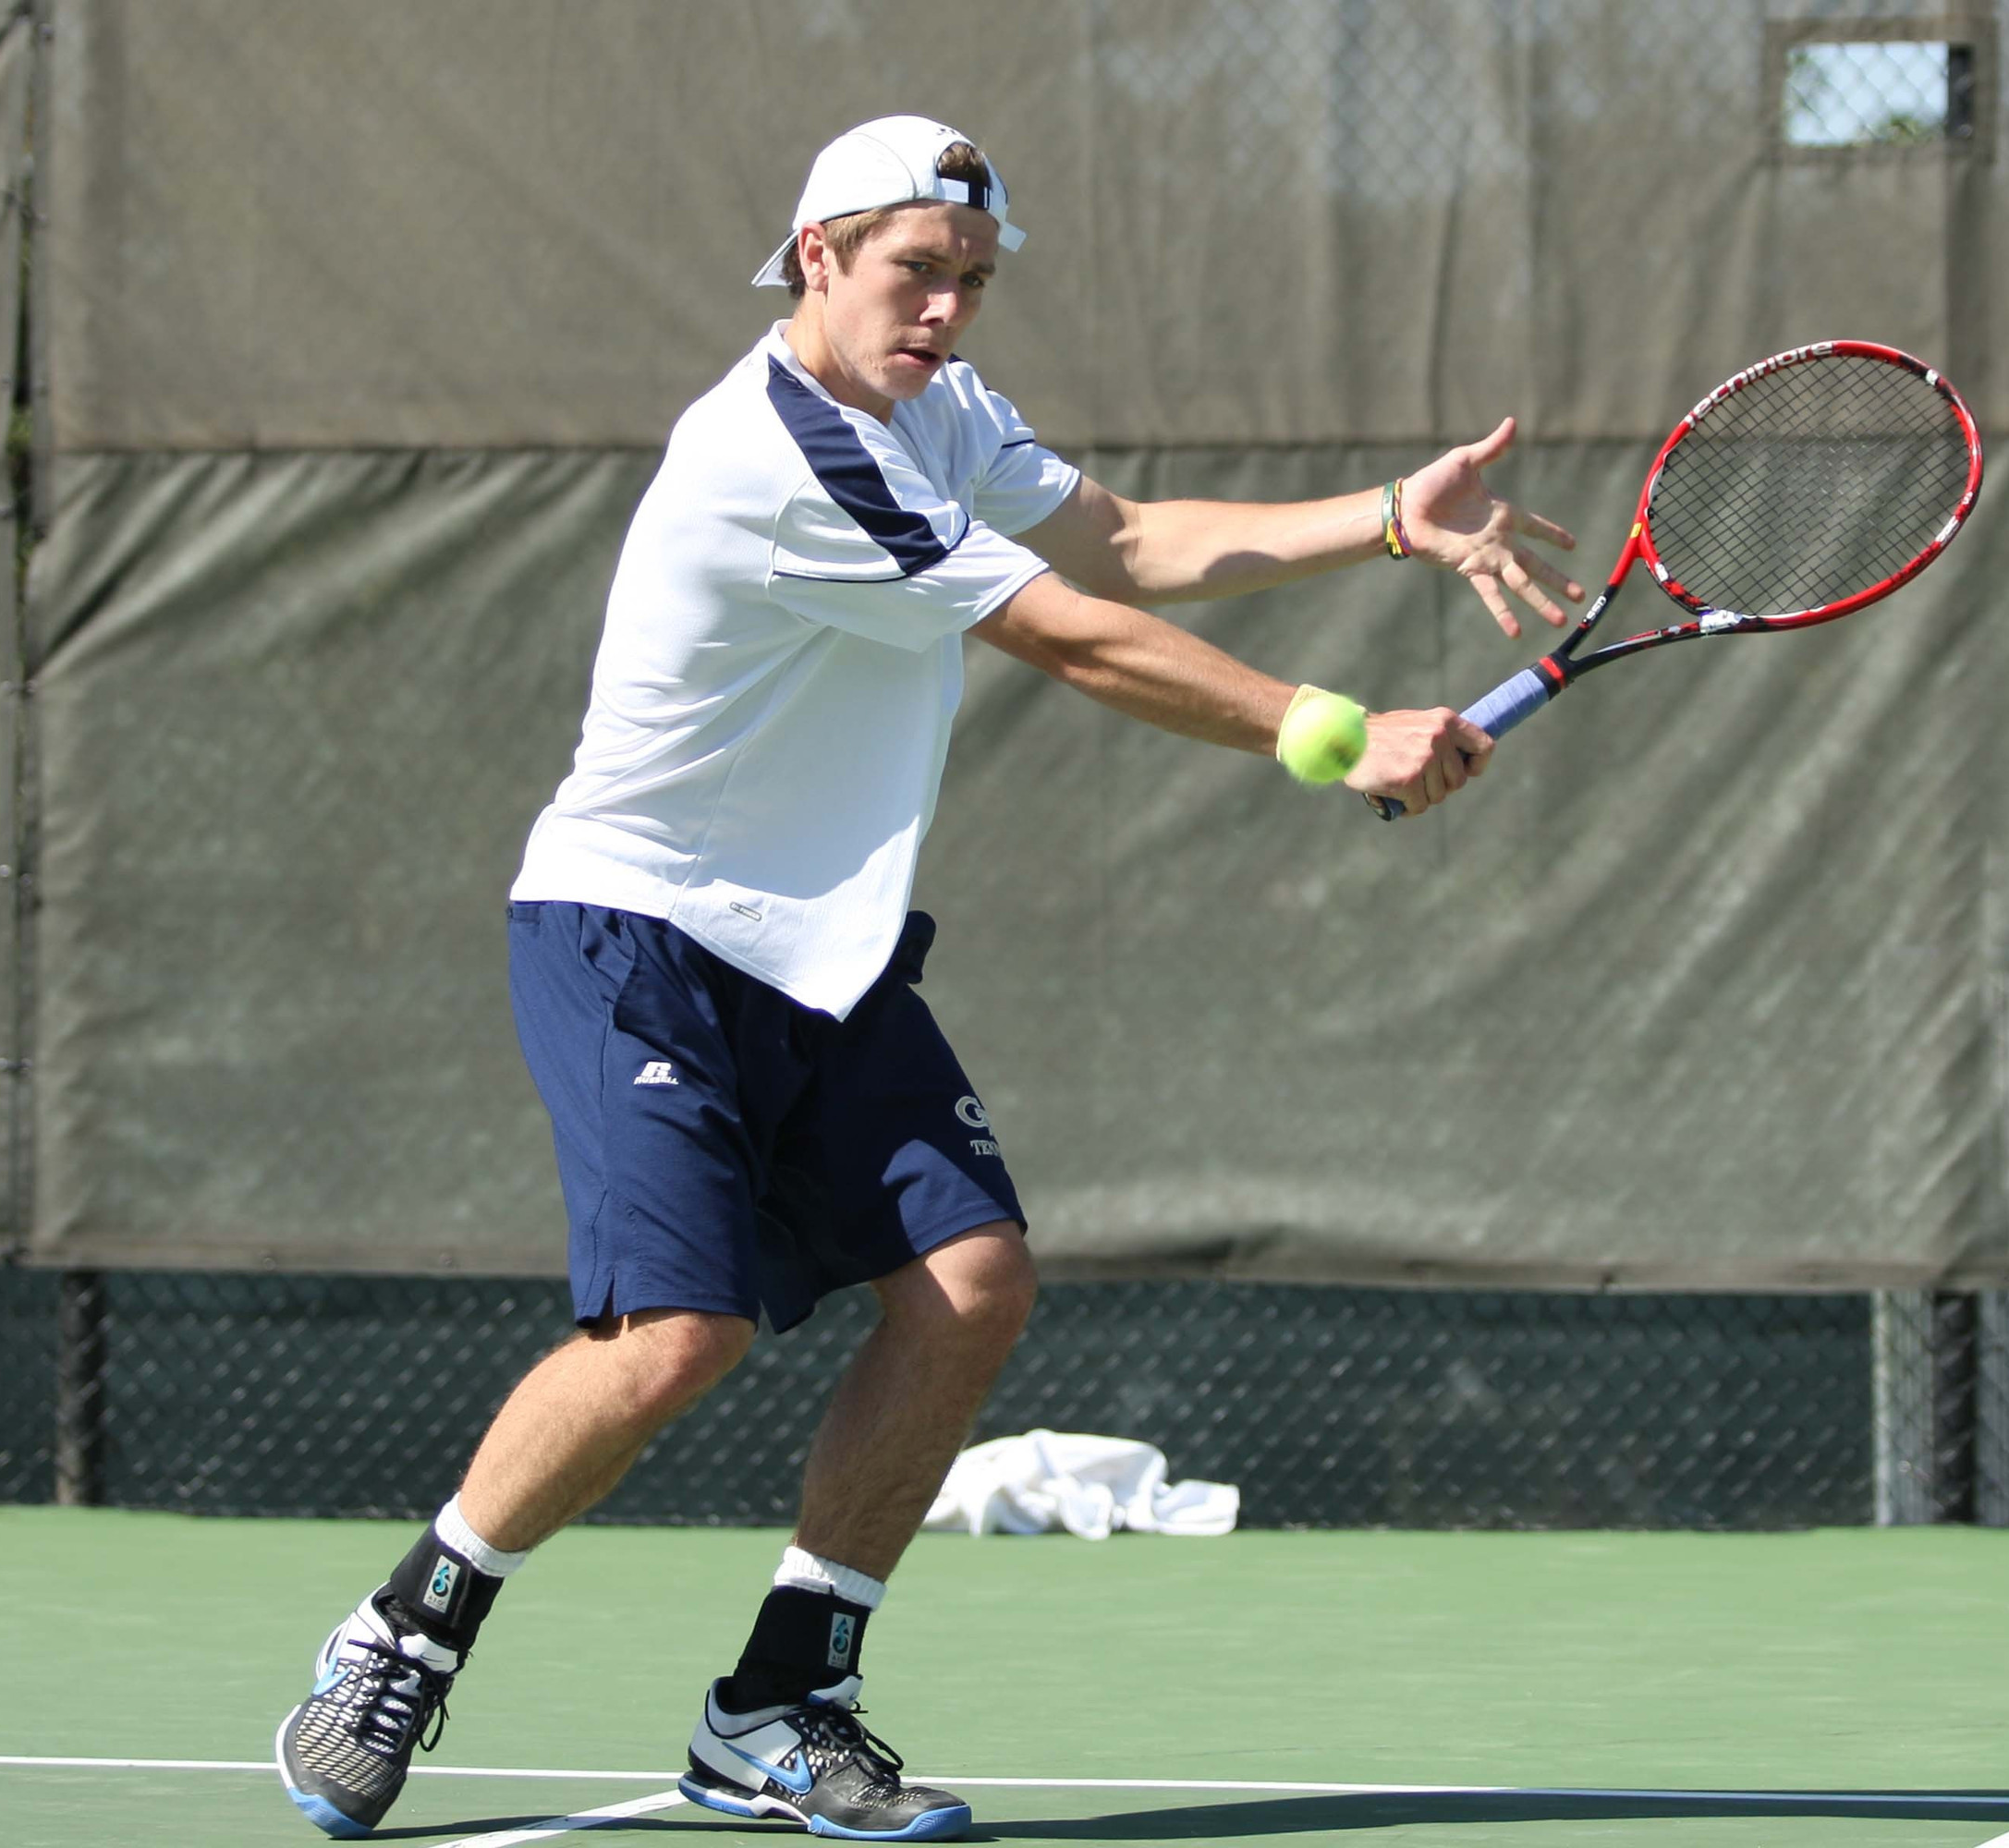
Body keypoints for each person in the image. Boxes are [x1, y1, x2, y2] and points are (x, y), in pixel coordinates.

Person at [275, 114, 1580, 1843]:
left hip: (827, 950)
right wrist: (1331, 734)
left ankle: (781, 1702)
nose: (948, 309)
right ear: (815, 256)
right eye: (915, 271)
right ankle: (400, 1641)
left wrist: (1388, 524)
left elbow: (1129, 542)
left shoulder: (939, 409)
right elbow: (1069, 634)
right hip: (637, 929)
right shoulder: (778, 452)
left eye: (971, 279)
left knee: (973, 1284)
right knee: (679, 1334)